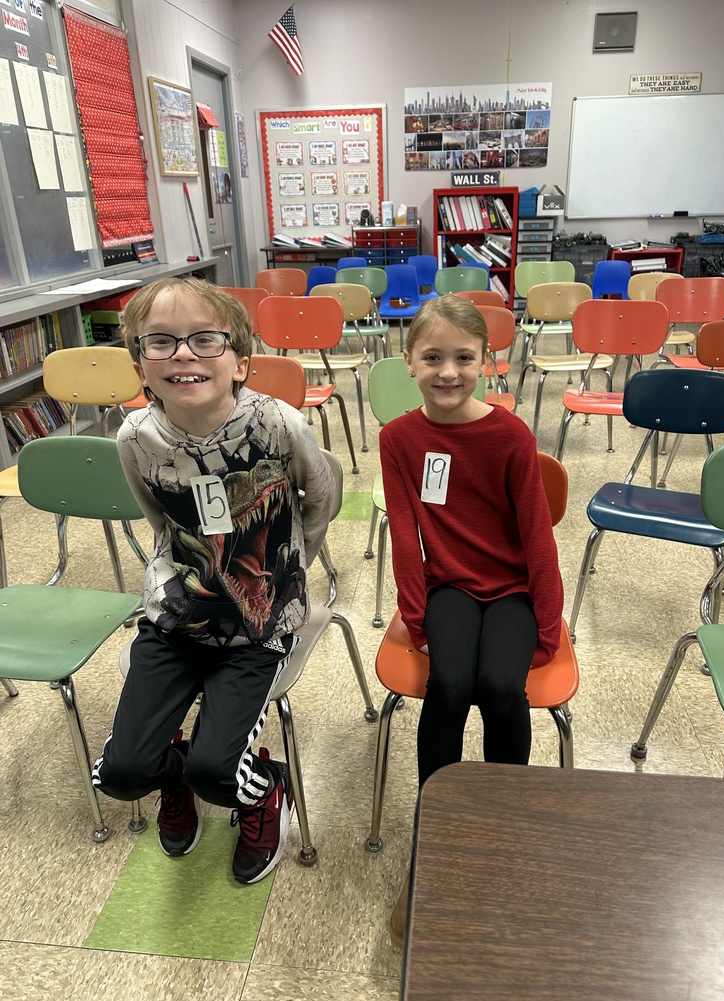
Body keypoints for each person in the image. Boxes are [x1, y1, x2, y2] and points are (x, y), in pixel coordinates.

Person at [92, 276, 334, 885]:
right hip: (176, 619)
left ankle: (264, 792)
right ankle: (174, 779)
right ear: (141, 366)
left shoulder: (277, 424)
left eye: (205, 340)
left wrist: (291, 566)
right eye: (161, 343)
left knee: (219, 772)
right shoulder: (135, 438)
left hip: (258, 627)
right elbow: (160, 523)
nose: (183, 354)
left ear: (240, 362)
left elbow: (321, 496)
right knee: (120, 774)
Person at [379, 294, 563, 945]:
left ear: (488, 360)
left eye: (463, 357)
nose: (449, 371)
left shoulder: (509, 436)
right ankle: (439, 823)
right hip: (451, 588)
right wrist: (416, 616)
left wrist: (547, 624)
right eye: (433, 357)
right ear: (409, 361)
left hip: (511, 590)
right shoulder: (398, 439)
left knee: (499, 688)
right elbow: (405, 534)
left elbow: (537, 535)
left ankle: (501, 814)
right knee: (450, 686)